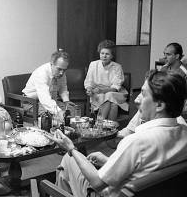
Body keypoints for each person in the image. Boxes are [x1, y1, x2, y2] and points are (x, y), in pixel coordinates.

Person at [49, 70, 187, 197]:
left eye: (144, 94)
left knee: (68, 159)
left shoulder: (136, 142)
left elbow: (97, 183)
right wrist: (108, 161)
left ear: (159, 105)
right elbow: (148, 169)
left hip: (106, 193)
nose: (136, 100)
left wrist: (71, 148)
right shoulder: (184, 133)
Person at [22, 50, 74, 119]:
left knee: (72, 110)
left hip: (51, 100)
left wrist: (66, 101)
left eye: (64, 70)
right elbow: (44, 97)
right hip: (31, 102)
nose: (62, 73)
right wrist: (59, 112)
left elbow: (63, 88)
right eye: (59, 69)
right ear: (52, 64)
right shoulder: (41, 73)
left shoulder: (61, 73)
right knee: (50, 116)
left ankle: (67, 129)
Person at [84, 40, 128, 121]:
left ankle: (99, 123)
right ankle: (110, 128)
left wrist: (102, 90)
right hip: (97, 94)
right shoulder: (93, 64)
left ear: (112, 56)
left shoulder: (117, 67)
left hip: (115, 93)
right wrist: (89, 89)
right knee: (113, 104)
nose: (104, 56)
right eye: (102, 53)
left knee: (109, 95)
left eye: (107, 54)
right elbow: (89, 81)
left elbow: (115, 88)